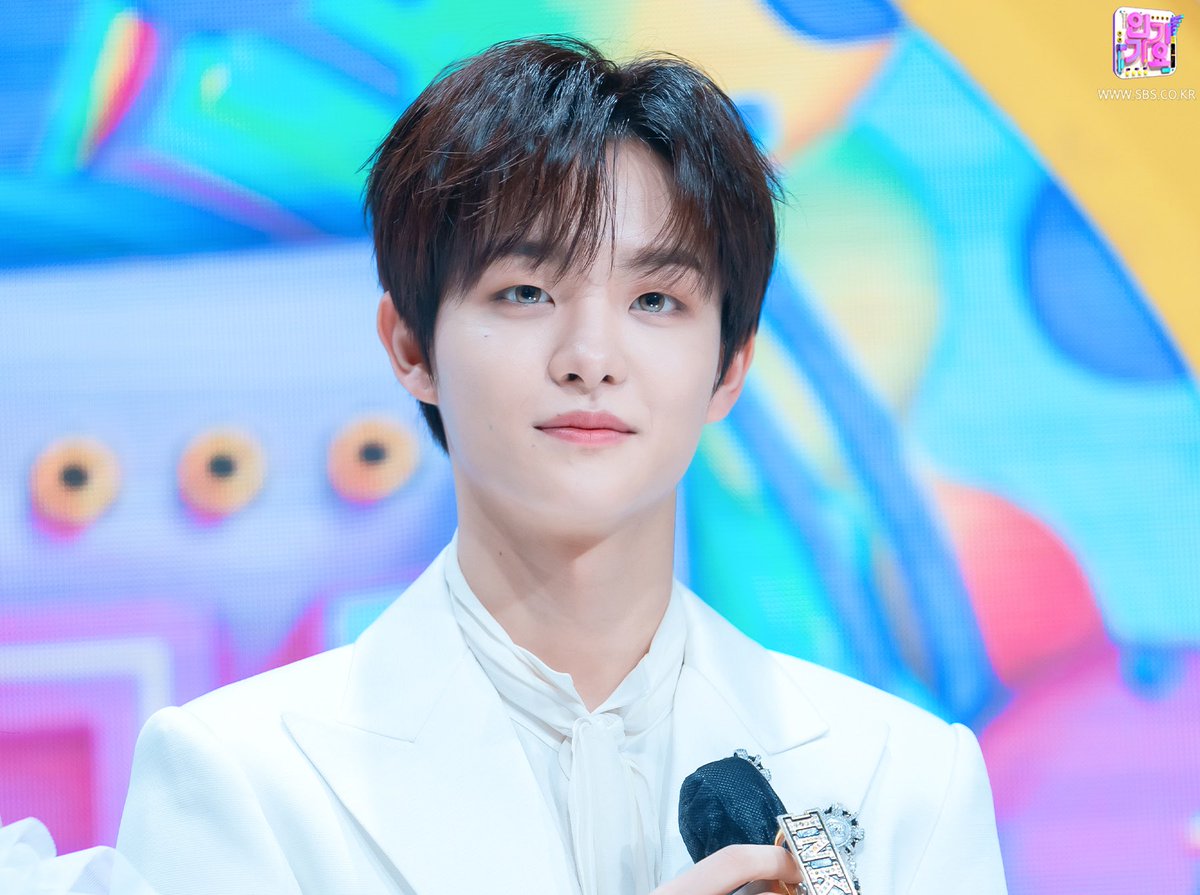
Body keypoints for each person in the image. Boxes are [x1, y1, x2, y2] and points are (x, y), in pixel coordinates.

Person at [116, 36, 1008, 895]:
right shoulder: (244, 780)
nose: (590, 357)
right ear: (412, 345)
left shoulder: (905, 779)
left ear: (730, 366)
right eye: (526, 292)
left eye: (654, 299)